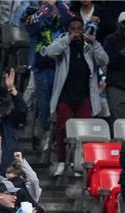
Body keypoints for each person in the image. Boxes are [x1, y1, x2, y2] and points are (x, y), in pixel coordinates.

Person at [44, 16, 109, 177]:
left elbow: (104, 60)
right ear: (68, 30)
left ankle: (77, 163)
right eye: (73, 29)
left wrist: (95, 43)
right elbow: (49, 52)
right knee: (62, 130)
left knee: (83, 132)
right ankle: (61, 162)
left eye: (79, 28)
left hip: (85, 96)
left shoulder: (89, 46)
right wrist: (67, 39)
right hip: (65, 95)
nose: (76, 32)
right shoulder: (63, 44)